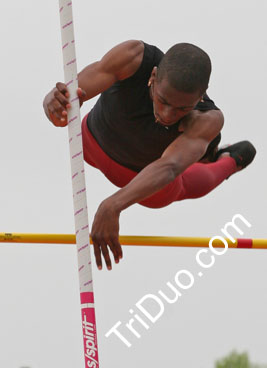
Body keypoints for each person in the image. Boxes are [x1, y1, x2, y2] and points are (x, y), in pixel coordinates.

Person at [43, 40, 256, 270]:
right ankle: (209, 154)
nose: (166, 114)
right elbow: (73, 94)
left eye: (181, 109)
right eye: (162, 100)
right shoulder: (133, 57)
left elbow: (169, 167)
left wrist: (113, 205)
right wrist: (54, 102)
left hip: (145, 185)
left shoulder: (208, 118)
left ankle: (230, 161)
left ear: (200, 97)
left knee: (184, 183)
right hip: (90, 144)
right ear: (153, 76)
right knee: (188, 160)